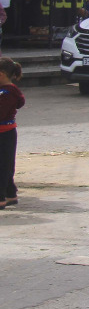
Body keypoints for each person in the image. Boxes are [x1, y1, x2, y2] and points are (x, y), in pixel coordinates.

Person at [0, 58, 23, 210]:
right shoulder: (8, 91)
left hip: (4, 133)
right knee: (6, 165)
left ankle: (1, 198)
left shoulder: (7, 93)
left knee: (2, 166)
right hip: (7, 132)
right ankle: (10, 194)